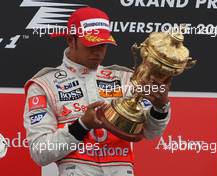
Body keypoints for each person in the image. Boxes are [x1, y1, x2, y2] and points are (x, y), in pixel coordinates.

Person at [24, 7, 171, 176]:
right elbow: (40, 152)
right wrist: (81, 125)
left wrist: (160, 107)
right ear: (71, 40)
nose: (99, 51)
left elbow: (151, 132)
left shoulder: (125, 78)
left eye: (103, 44)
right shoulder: (44, 85)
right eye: (91, 44)